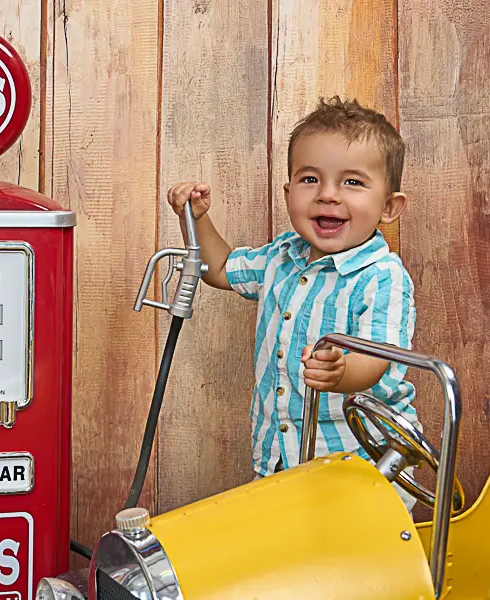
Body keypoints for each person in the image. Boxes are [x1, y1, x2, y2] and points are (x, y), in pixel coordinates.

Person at [167, 96, 419, 511]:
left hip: (361, 468)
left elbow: (380, 362)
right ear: (288, 193)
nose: (327, 196)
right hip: (285, 457)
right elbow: (220, 269)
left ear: (389, 206)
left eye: (352, 182)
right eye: (309, 180)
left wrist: (342, 371)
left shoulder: (382, 277)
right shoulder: (281, 258)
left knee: (343, 569)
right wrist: (194, 218)